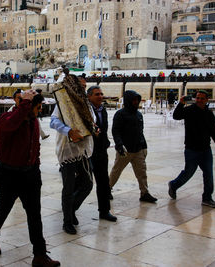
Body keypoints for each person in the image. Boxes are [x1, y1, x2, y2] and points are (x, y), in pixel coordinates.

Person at [0, 90, 60, 267]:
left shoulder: (33, 122)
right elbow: (11, 125)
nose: (39, 111)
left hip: (30, 174)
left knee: (35, 214)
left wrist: (36, 165)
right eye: (38, 107)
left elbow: (35, 146)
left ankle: (40, 255)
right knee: (4, 208)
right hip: (8, 174)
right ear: (28, 107)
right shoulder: (6, 119)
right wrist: (25, 104)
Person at [50, 73, 94, 235]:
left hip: (82, 150)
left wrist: (93, 127)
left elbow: (90, 120)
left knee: (87, 184)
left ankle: (70, 210)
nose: (83, 89)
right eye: (80, 86)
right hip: (68, 150)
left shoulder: (85, 104)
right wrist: (68, 131)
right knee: (68, 187)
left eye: (84, 86)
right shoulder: (64, 103)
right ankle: (67, 221)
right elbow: (53, 121)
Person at [168, 90, 215, 208]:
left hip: (205, 149)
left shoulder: (209, 114)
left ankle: (207, 198)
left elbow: (214, 130)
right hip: (191, 149)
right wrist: (181, 103)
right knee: (188, 173)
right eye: (197, 98)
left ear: (206, 100)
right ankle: (173, 185)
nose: (199, 100)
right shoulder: (189, 110)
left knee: (208, 173)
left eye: (202, 98)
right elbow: (176, 116)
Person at [109, 91, 158, 203]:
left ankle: (144, 193)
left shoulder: (139, 114)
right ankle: (107, 189)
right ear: (128, 100)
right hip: (125, 150)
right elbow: (115, 131)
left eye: (137, 99)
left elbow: (140, 132)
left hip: (138, 149)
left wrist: (144, 146)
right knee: (116, 171)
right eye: (134, 100)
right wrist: (119, 145)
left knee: (142, 172)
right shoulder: (120, 114)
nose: (136, 102)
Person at [87, 85, 117, 221]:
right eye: (96, 94)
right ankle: (70, 211)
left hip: (101, 151)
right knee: (84, 183)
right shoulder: (85, 111)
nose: (100, 96)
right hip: (88, 150)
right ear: (89, 97)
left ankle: (104, 211)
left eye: (101, 94)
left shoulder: (102, 110)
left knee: (103, 182)